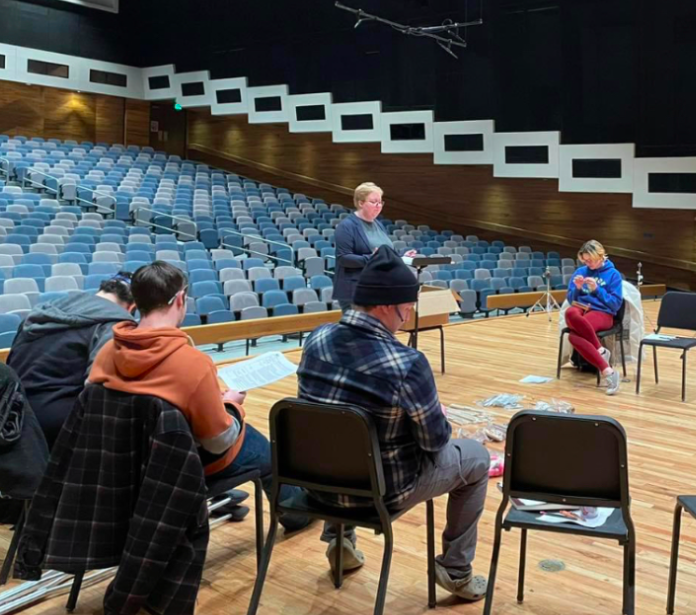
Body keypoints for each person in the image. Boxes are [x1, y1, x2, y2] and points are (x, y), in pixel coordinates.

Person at [298, 246, 489, 601]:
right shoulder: (407, 363)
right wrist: (435, 415)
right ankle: (456, 569)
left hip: (316, 485)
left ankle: (339, 540)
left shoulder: (316, 339)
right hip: (380, 493)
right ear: (386, 305)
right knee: (476, 458)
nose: (408, 314)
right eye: (407, 305)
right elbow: (435, 443)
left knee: (338, 435)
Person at [87, 261, 308, 531]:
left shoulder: (106, 352)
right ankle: (296, 514)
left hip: (124, 465)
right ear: (180, 298)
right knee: (262, 448)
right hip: (181, 467)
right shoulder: (191, 362)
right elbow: (218, 442)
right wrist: (231, 404)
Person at [9, 273, 136, 448]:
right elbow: (97, 389)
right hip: (59, 428)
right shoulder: (113, 324)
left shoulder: (42, 311)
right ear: (131, 307)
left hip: (11, 417)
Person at [332, 182, 416, 307]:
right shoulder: (346, 226)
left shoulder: (378, 224)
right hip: (354, 290)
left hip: (377, 287)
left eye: (380, 202)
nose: (378, 206)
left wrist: (401, 257)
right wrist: (371, 258)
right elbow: (344, 258)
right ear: (361, 203)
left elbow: (382, 253)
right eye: (373, 202)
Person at [564, 240, 624, 395]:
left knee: (573, 337)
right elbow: (571, 300)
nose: (587, 263)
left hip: (603, 312)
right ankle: (600, 351)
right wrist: (577, 289)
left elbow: (615, 304)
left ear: (600, 256)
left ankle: (607, 372)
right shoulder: (581, 272)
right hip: (581, 308)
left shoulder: (613, 274)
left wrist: (597, 289)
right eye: (585, 260)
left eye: (590, 260)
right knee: (570, 312)